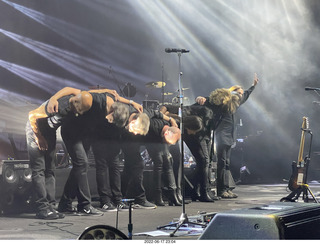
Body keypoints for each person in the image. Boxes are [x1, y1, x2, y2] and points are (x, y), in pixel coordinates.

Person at [46, 87, 134, 215]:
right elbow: (72, 90)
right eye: (112, 119)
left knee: (79, 167)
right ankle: (84, 205)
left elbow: (117, 97)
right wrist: (53, 98)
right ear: (112, 111)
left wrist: (133, 103)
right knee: (82, 164)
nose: (111, 122)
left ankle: (65, 203)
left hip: (84, 135)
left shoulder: (113, 102)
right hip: (71, 131)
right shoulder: (95, 101)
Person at [26, 87, 93, 219]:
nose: (79, 113)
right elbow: (32, 115)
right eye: (79, 110)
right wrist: (39, 138)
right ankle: (42, 208)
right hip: (35, 130)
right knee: (39, 169)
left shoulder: (77, 98)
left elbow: (70, 88)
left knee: (50, 170)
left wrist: (54, 97)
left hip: (49, 131)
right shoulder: (60, 106)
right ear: (75, 103)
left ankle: (50, 206)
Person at [196, 73, 259, 198]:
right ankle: (221, 190)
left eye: (241, 94)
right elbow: (209, 100)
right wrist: (200, 98)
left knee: (226, 163)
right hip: (222, 135)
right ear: (232, 93)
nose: (241, 95)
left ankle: (226, 188)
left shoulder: (236, 104)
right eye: (238, 93)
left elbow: (246, 95)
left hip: (230, 136)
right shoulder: (223, 102)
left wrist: (253, 86)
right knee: (222, 161)